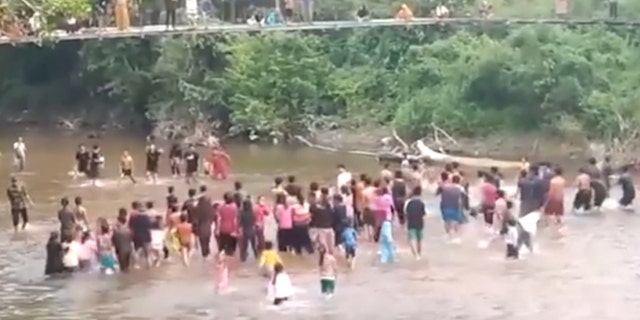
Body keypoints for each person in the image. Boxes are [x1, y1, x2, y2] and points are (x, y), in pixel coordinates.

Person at [437, 173, 464, 241]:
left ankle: (448, 234)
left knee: (446, 221)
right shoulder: (461, 188)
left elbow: (437, 193)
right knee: (456, 222)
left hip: (444, 207)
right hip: (455, 207)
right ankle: (455, 236)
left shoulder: (445, 187)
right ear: (459, 181)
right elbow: (462, 200)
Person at [405, 186, 425, 260]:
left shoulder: (408, 202)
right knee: (419, 239)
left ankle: (415, 255)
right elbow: (423, 214)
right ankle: (419, 254)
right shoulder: (421, 203)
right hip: (419, 222)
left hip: (411, 222)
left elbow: (406, 213)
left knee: (411, 239)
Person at [196, 185, 215, 259]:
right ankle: (207, 253)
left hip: (201, 227)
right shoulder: (209, 200)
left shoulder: (199, 207)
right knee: (207, 241)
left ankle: (205, 255)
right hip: (208, 226)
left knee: (203, 243)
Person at [238, 198, 258, 262]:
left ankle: (243, 259)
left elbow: (240, 223)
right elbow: (255, 221)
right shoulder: (252, 212)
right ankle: (256, 257)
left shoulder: (241, 213)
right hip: (252, 230)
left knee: (244, 247)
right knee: (254, 246)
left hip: (245, 231)